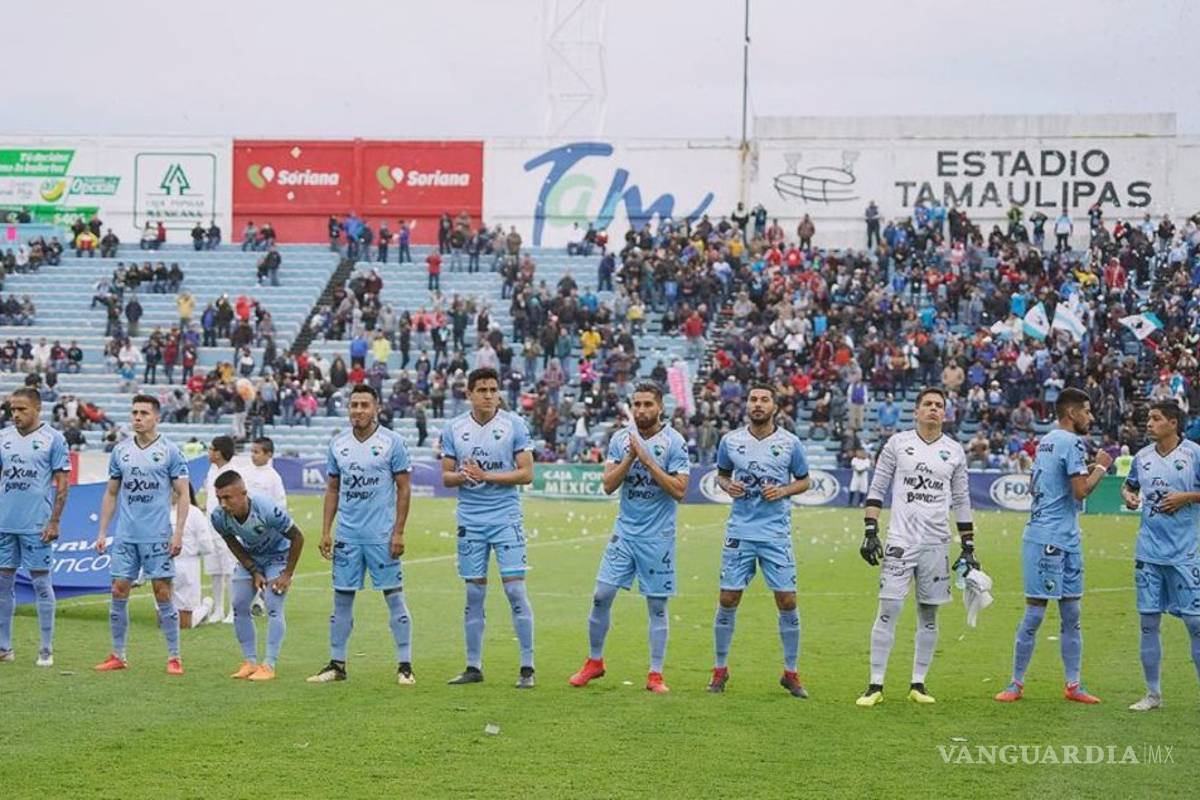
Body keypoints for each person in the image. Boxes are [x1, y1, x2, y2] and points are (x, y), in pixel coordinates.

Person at [855, 388, 975, 707]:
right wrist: (870, 530)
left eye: (939, 406)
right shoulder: (898, 443)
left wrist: (968, 546)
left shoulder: (954, 451)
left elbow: (962, 500)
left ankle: (918, 684)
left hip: (936, 543)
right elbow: (878, 485)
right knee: (888, 609)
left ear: (945, 414)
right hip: (900, 540)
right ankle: (875, 685)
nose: (934, 409)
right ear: (917, 411)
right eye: (928, 405)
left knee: (929, 614)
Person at [568, 383, 689, 693]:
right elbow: (608, 485)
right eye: (637, 404)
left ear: (660, 407)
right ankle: (594, 662)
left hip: (658, 538)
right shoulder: (621, 439)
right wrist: (630, 459)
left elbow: (679, 490)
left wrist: (648, 461)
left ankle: (655, 674)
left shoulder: (675, 442)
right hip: (625, 533)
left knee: (657, 606)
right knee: (601, 596)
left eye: (648, 404)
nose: (641, 410)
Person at [995, 387, 1113, 704]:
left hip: (1058, 536)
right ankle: (1030, 684)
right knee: (1049, 614)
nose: (1091, 416)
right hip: (1051, 538)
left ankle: (1029, 685)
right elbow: (1080, 492)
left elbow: (1054, 482)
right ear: (1072, 413)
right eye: (1087, 411)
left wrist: (1086, 470)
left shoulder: (1047, 440)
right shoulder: (1073, 442)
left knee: (1063, 613)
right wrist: (1101, 466)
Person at [706, 383, 812, 697]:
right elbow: (722, 475)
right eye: (753, 399)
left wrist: (783, 491)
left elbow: (805, 481)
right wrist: (727, 487)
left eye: (764, 399)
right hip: (740, 532)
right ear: (746, 405)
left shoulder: (790, 444)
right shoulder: (730, 441)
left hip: (775, 534)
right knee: (728, 599)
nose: (758, 404)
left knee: (787, 601)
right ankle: (719, 670)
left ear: (774, 407)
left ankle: (790, 673)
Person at [308, 385, 414, 686]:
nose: (358, 410)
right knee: (341, 598)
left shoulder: (392, 442)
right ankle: (337, 664)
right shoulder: (338, 444)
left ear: (376, 408)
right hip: (348, 536)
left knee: (394, 597)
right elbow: (332, 489)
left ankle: (405, 665)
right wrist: (326, 530)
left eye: (364, 405)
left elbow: (404, 488)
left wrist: (399, 531)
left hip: (381, 535)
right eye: (354, 405)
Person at [440, 367, 536, 688]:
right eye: (481, 389)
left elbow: (526, 474)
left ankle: (527, 667)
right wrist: (464, 476)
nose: (488, 395)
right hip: (471, 520)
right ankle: (473, 666)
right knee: (473, 593)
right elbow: (446, 476)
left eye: (493, 389)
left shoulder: (514, 425)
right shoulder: (454, 428)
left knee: (514, 590)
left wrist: (487, 476)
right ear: (469, 393)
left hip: (505, 518)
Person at [93, 395, 191, 674]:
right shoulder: (120, 451)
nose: (137, 417)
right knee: (118, 589)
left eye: (144, 413)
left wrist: (179, 533)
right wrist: (102, 531)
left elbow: (183, 494)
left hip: (158, 535)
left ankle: (174, 657)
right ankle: (118, 654)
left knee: (162, 593)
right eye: (134, 412)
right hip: (126, 535)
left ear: (156, 417)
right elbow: (111, 493)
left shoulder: (170, 451)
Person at [1120, 401, 1200, 711]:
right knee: (1148, 623)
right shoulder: (1142, 457)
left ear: (1173, 423)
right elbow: (1128, 487)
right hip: (1149, 552)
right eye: (1149, 418)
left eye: (1156, 419)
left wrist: (1187, 497)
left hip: (1186, 553)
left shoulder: (1193, 454)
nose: (1149, 424)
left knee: (1195, 624)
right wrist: (1129, 496)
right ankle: (1153, 694)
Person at [211, 470, 305, 682]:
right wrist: (253, 570)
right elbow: (231, 542)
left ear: (243, 493)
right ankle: (250, 662)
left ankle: (269, 664)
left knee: (273, 605)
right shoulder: (219, 517)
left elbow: (298, 537)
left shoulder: (266, 509)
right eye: (219, 498)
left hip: (278, 557)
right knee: (239, 604)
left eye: (227, 498)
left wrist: (287, 574)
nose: (223, 504)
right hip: (252, 558)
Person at [0, 388, 71, 667]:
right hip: (5, 524)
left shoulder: (53, 439)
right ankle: (4, 647)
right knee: (3, 585)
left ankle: (45, 649)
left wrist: (54, 520)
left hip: (37, 525)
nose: (15, 414)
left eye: (22, 409)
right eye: (12, 409)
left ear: (37, 409)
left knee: (41, 583)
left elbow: (62, 485)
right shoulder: (3, 438)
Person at [203, 436, 239, 624]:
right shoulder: (211, 471)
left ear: (218, 452)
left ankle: (234, 610)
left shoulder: (231, 473)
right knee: (215, 570)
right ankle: (218, 608)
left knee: (230, 568)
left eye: (211, 449)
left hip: (226, 526)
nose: (208, 452)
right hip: (210, 526)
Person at [170, 484, 214, 630]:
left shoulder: (194, 513)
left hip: (187, 565)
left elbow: (206, 544)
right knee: (165, 621)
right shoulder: (161, 511)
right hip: (166, 565)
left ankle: (205, 607)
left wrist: (192, 551)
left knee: (184, 625)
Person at [243, 437, 287, 506]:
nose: (253, 455)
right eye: (252, 452)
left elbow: (281, 503)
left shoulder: (273, 477)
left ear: (269, 455)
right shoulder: (244, 472)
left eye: (256, 452)